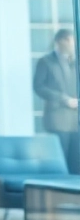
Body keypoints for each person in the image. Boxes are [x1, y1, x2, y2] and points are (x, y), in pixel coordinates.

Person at [35, 29, 79, 171]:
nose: (73, 44)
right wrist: (63, 99)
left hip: (75, 121)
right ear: (61, 41)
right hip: (57, 120)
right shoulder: (46, 61)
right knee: (60, 161)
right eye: (70, 41)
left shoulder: (75, 61)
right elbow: (38, 86)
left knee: (76, 161)